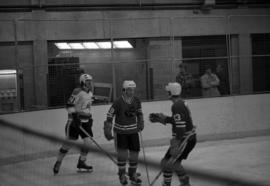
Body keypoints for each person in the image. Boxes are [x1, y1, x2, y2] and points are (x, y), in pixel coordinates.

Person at [149, 82, 196, 186]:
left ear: (170, 93)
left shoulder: (176, 106)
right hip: (189, 139)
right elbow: (179, 121)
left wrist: (176, 144)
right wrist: (165, 119)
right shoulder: (181, 102)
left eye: (167, 91)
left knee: (166, 163)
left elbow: (181, 128)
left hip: (185, 140)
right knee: (175, 163)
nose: (167, 93)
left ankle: (168, 184)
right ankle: (185, 182)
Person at [103, 80, 144, 185]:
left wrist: (140, 121)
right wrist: (108, 127)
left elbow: (139, 112)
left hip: (133, 131)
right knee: (122, 154)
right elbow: (110, 114)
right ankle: (121, 174)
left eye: (133, 90)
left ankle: (132, 174)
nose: (132, 92)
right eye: (129, 90)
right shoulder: (118, 102)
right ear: (124, 90)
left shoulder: (136, 100)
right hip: (121, 132)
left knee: (135, 152)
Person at [53, 73, 94, 174]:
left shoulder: (90, 93)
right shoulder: (77, 91)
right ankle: (58, 161)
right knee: (68, 144)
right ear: (82, 82)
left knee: (88, 142)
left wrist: (90, 118)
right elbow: (68, 105)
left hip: (85, 123)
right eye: (88, 81)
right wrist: (75, 117)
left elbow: (87, 107)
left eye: (90, 81)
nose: (90, 83)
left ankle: (81, 162)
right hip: (74, 123)